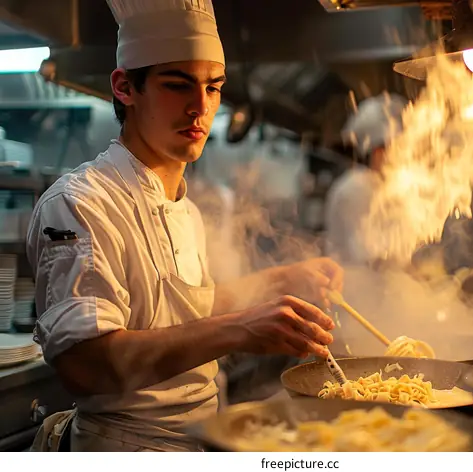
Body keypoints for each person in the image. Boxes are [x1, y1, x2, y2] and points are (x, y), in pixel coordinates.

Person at [26, 0, 343, 452]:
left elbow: (177, 313)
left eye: (214, 88)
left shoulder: (185, 210)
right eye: (178, 85)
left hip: (202, 439)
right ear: (125, 87)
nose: (201, 107)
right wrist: (240, 329)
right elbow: (87, 366)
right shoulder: (82, 202)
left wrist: (280, 282)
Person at [324, 93, 408, 267]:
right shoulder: (355, 188)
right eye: (399, 149)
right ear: (379, 151)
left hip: (379, 288)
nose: (406, 156)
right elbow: (366, 254)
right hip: (354, 288)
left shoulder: (384, 186)